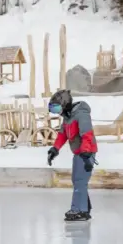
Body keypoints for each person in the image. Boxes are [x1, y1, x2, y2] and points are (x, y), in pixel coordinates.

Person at [45, 89, 98, 222]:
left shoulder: (81, 114)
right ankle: (85, 207)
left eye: (57, 108)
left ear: (65, 104)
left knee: (80, 181)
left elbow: (87, 134)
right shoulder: (68, 117)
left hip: (86, 152)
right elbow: (62, 134)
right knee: (77, 180)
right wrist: (55, 149)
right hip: (78, 152)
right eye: (53, 109)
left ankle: (79, 210)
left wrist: (86, 153)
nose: (56, 112)